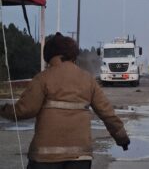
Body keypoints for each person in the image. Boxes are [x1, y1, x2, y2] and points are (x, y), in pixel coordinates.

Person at [0, 32, 130, 169]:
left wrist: (3, 110)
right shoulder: (88, 80)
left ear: (49, 55)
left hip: (45, 157)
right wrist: (121, 138)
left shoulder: (43, 78)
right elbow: (107, 112)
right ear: (73, 54)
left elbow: (24, 110)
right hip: (80, 156)